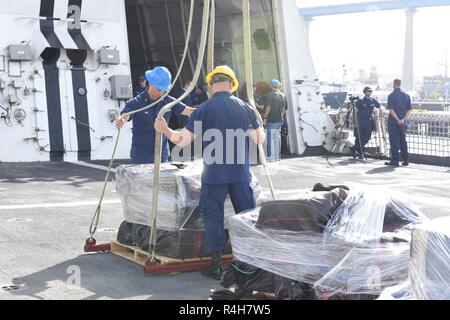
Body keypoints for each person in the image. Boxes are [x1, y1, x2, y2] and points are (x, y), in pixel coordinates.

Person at [154, 65, 266, 280]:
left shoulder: (204, 109)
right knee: (247, 214)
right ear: (233, 84)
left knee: (213, 216)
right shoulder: (246, 108)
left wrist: (165, 130)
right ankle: (251, 261)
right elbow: (259, 140)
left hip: (214, 174)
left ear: (210, 86)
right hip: (241, 173)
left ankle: (216, 263)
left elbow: (182, 140)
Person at [116, 66, 195, 164]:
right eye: (159, 89)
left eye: (164, 90)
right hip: (142, 156)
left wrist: (207, 111)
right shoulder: (137, 102)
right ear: (150, 83)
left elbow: (188, 110)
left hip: (162, 155)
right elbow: (127, 113)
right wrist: (122, 120)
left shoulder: (168, 101)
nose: (161, 93)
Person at [385, 79, 412, 167]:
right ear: (400, 84)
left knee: (394, 141)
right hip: (403, 123)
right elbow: (409, 110)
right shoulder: (407, 96)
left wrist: (397, 120)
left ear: (394, 84)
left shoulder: (391, 96)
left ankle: (395, 160)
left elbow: (391, 110)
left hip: (393, 122)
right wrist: (403, 120)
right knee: (403, 141)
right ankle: (406, 160)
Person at [350, 87, 382, 159]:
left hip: (368, 122)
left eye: (371, 91)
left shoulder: (373, 101)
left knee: (367, 136)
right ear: (365, 92)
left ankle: (355, 148)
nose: (370, 92)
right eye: (368, 91)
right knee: (358, 137)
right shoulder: (360, 101)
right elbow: (355, 112)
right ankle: (360, 153)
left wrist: (380, 113)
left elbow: (381, 107)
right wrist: (355, 122)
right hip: (360, 122)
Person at [263, 79, 286, 162]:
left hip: (271, 120)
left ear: (271, 86)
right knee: (277, 139)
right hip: (279, 120)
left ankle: (270, 157)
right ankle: (277, 157)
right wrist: (281, 117)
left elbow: (268, 108)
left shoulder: (271, 95)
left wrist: (265, 117)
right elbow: (283, 109)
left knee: (270, 139)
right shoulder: (282, 95)